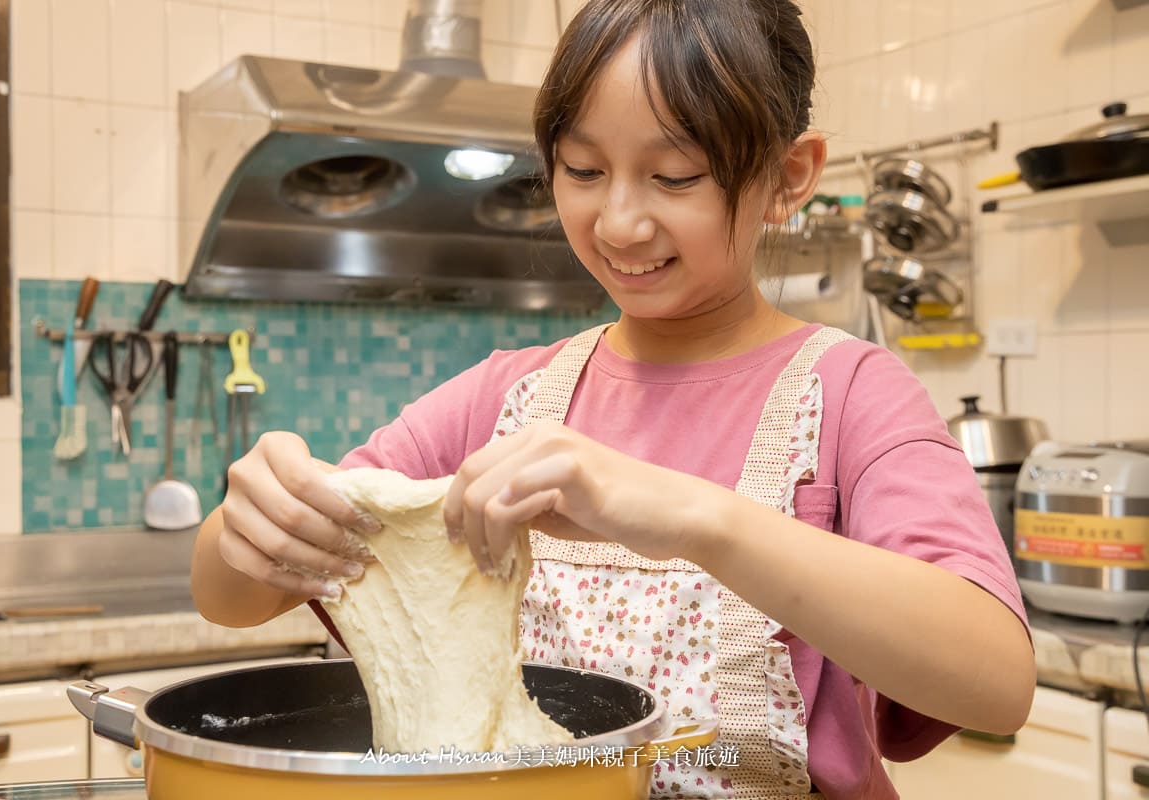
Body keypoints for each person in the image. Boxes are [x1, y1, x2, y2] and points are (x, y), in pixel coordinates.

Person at [191, 0, 1036, 797]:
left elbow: (995, 682)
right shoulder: (507, 396)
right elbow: (231, 600)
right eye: (584, 170)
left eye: (676, 176)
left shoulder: (851, 394)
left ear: (788, 175)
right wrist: (247, 527)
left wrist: (697, 519)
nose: (620, 222)